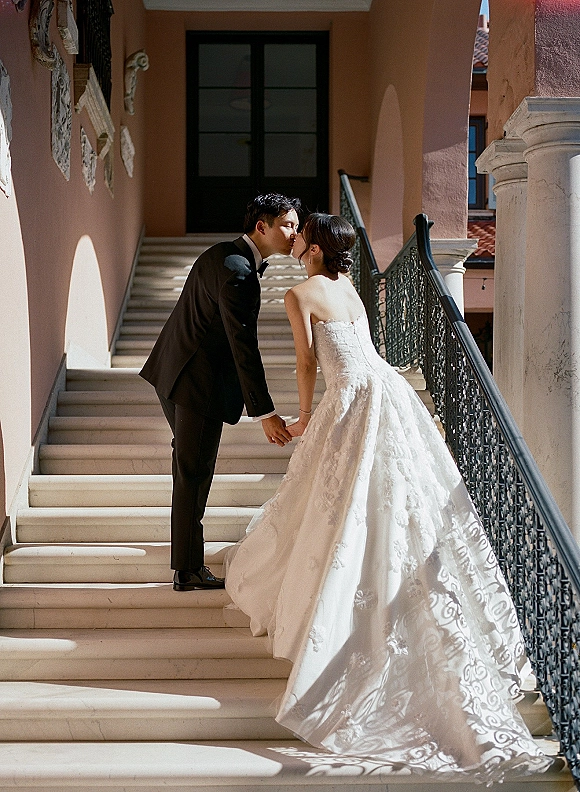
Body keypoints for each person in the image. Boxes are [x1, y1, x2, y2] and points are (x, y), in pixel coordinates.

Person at [225, 213, 550, 782]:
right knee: (387, 502)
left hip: (354, 397)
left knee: (349, 505)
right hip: (387, 390)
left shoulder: (300, 293)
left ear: (316, 247)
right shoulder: (350, 287)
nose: (295, 236)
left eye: (302, 232)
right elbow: (361, 350)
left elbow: (307, 360)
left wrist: (305, 415)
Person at [140, 194, 300, 592]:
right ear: (261, 227)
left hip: (173, 374)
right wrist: (265, 412)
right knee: (193, 474)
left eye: (296, 225)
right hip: (196, 384)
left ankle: (188, 566)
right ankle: (188, 570)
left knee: (189, 471)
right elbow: (242, 344)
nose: (294, 232)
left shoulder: (221, 255)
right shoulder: (240, 271)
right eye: (288, 224)